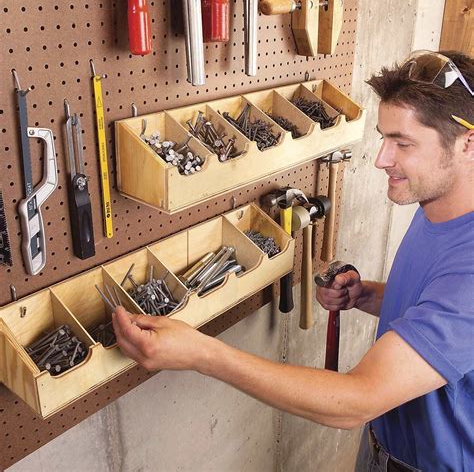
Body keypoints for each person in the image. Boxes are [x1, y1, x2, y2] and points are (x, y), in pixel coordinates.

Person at [112, 50, 473, 471]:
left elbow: (357, 400)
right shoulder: (438, 206)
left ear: (468, 144)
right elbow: (438, 311)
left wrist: (202, 355)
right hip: (382, 447)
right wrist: (367, 295)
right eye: (383, 137)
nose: (381, 159)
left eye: (403, 143)